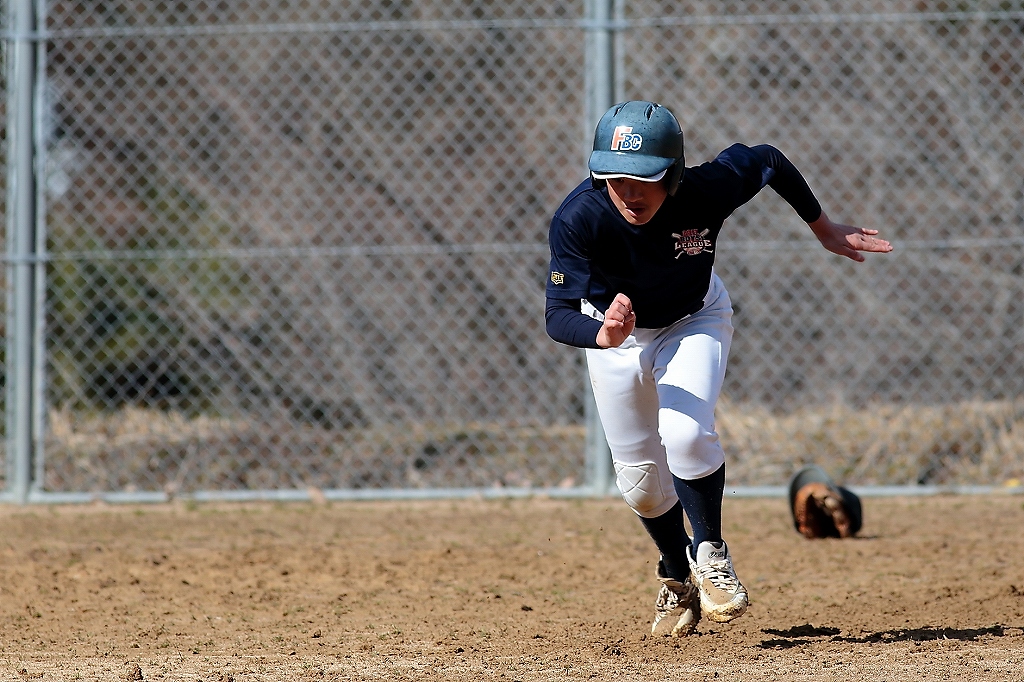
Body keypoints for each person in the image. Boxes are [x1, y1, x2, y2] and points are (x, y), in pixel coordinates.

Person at [544, 100, 892, 636]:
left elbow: (768, 160)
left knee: (683, 433)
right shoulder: (581, 216)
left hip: (694, 318)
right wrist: (603, 334)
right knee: (639, 484)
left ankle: (711, 553)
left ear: (675, 175)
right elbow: (556, 315)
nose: (629, 191)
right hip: (614, 335)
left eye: (644, 177)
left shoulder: (705, 190)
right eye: (614, 177)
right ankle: (676, 575)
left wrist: (821, 227)